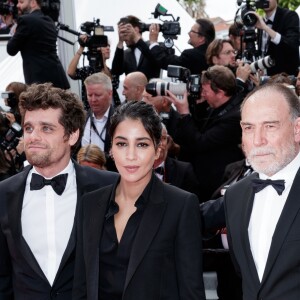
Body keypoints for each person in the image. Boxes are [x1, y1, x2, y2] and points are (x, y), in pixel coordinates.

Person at [72, 100, 205, 300]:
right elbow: (81, 284)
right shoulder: (90, 203)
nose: (130, 155)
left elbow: (191, 291)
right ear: (111, 149)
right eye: (122, 144)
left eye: (141, 144)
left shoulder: (181, 206)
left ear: (158, 150)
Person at [0, 83, 118, 299]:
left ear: (72, 135)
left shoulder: (108, 188)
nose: (33, 137)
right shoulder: (4, 193)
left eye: (46, 128)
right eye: (29, 128)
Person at [223, 83, 300, 299]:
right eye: (249, 128)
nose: (258, 140)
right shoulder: (235, 196)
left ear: (297, 129)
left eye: (270, 126)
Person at [167, 65, 245, 202]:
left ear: (220, 93)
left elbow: (200, 142)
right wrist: (198, 105)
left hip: (215, 183)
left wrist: (184, 113)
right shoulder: (219, 106)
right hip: (204, 177)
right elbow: (199, 128)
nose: (202, 94)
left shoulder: (234, 117)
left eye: (205, 91)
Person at [6, 0, 70, 89]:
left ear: (33, 3)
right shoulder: (49, 20)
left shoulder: (26, 20)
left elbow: (11, 49)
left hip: (39, 82)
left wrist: (12, 27)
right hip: (57, 78)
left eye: (21, 2)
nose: (17, 5)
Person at [67, 35, 120, 109]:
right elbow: (71, 72)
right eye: (105, 46)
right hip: (90, 113)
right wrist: (81, 47)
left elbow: (113, 83)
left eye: (109, 46)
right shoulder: (87, 70)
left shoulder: (112, 71)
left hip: (111, 113)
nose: (108, 48)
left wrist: (102, 60)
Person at [149, 18, 215, 75]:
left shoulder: (191, 55)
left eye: (192, 31)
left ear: (201, 38)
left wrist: (153, 42)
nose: (188, 33)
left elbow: (166, 62)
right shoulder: (213, 54)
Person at [252, 0, 299, 76]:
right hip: (266, 80)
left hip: (286, 79)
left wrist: (266, 28)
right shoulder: (260, 22)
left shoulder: (290, 16)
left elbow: (292, 45)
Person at [153, 123, 201, 198]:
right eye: (155, 138)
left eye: (163, 138)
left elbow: (193, 204)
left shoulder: (183, 170)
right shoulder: (132, 168)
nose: (160, 143)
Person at [111, 15, 162, 80]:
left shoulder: (154, 47)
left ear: (136, 30)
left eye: (126, 32)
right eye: (122, 32)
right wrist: (120, 42)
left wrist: (135, 37)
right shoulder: (126, 53)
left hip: (151, 88)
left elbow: (155, 61)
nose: (124, 36)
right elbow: (116, 71)